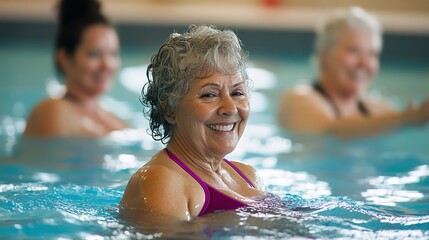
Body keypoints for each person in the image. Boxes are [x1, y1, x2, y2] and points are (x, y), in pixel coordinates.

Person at [120, 25, 265, 220]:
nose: (230, 108)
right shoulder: (162, 182)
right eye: (209, 94)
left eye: (237, 93)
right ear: (170, 110)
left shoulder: (248, 176)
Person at [278, 7, 429, 138]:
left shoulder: (381, 111)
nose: (364, 63)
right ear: (325, 54)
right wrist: (403, 120)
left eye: (372, 54)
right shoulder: (299, 99)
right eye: (353, 51)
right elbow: (331, 130)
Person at [23, 0, 127, 137]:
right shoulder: (54, 111)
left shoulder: (115, 120)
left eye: (113, 54)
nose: (107, 65)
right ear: (64, 58)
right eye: (94, 54)